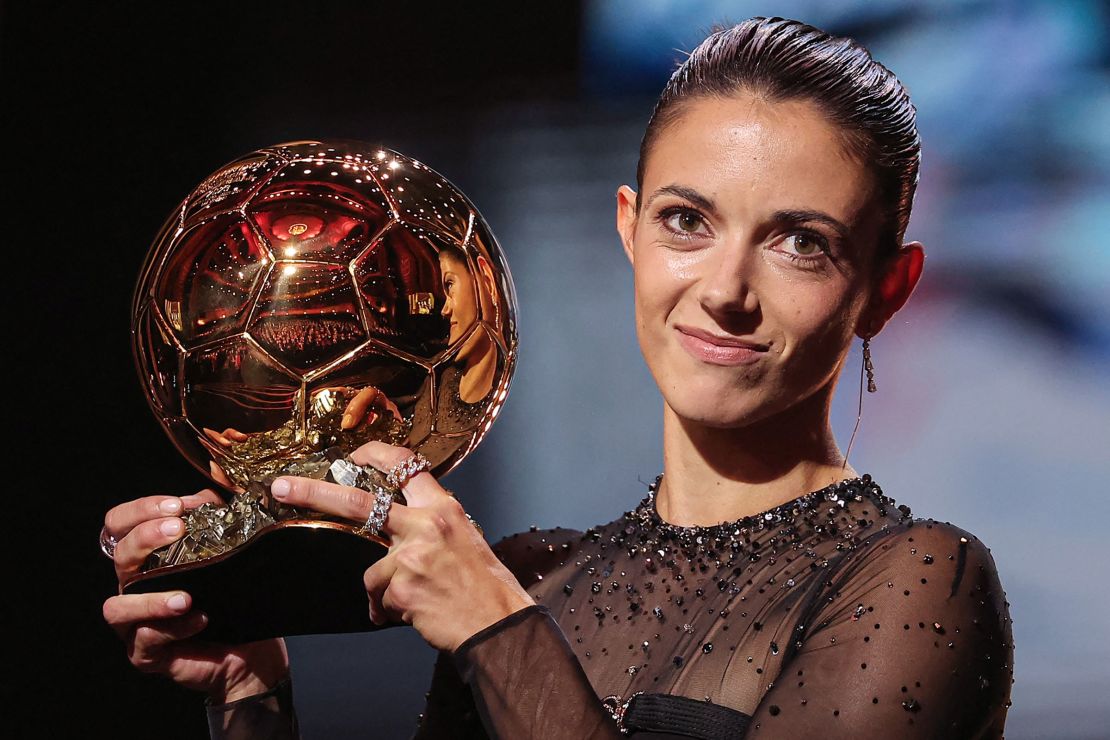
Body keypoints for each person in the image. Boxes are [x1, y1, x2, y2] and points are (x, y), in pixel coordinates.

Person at [101, 17, 1014, 739]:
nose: (725, 291)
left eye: (799, 243)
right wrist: (250, 694)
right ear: (628, 227)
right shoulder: (540, 574)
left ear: (886, 290)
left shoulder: (919, 581)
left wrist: (497, 630)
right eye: (687, 222)